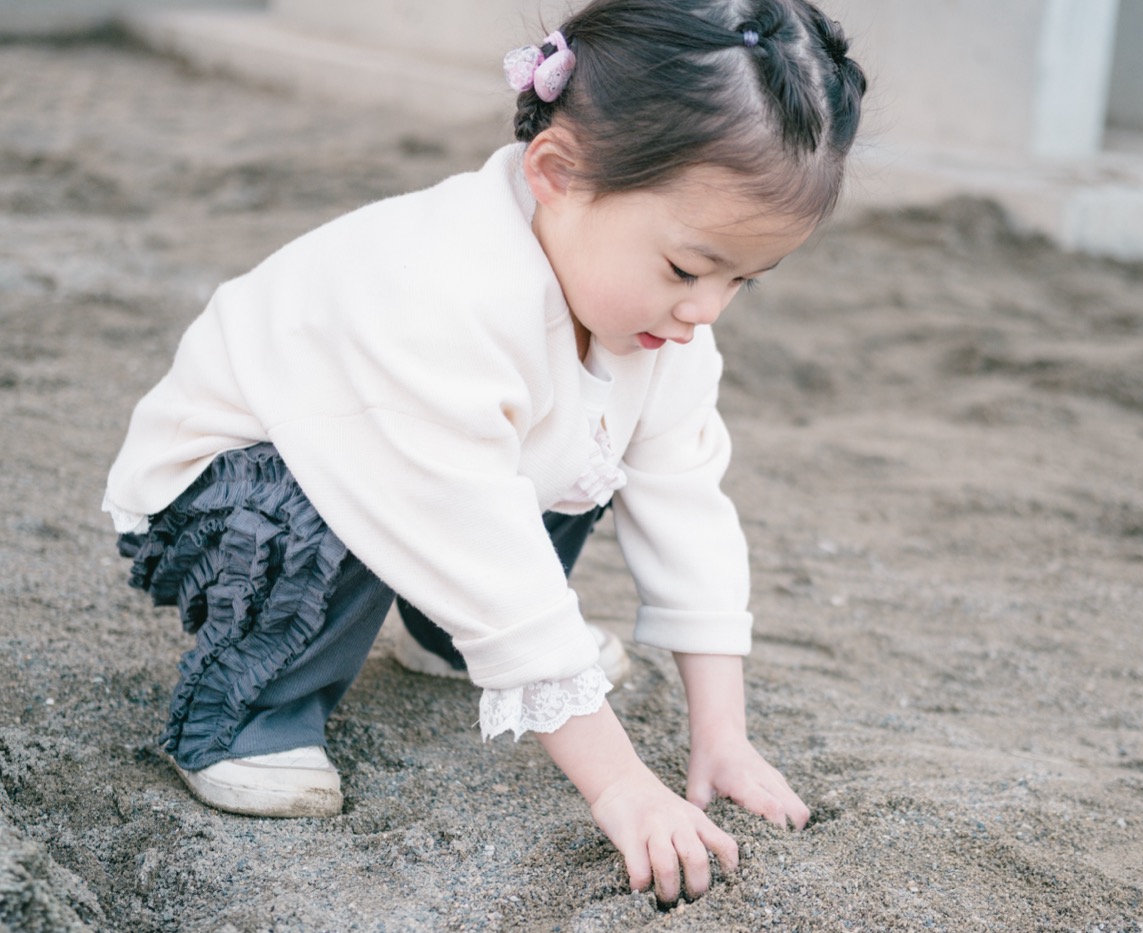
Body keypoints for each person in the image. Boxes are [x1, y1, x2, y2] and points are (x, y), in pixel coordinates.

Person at [103, 0, 865, 906]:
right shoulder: (441, 298)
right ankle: (246, 717)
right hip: (235, 487)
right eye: (685, 269)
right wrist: (620, 783)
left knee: (588, 448)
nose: (707, 309)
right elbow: (469, 532)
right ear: (557, 173)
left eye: (742, 278)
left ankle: (441, 636)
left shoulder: (662, 331)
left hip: (433, 482)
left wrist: (723, 732)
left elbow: (687, 502)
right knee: (362, 505)